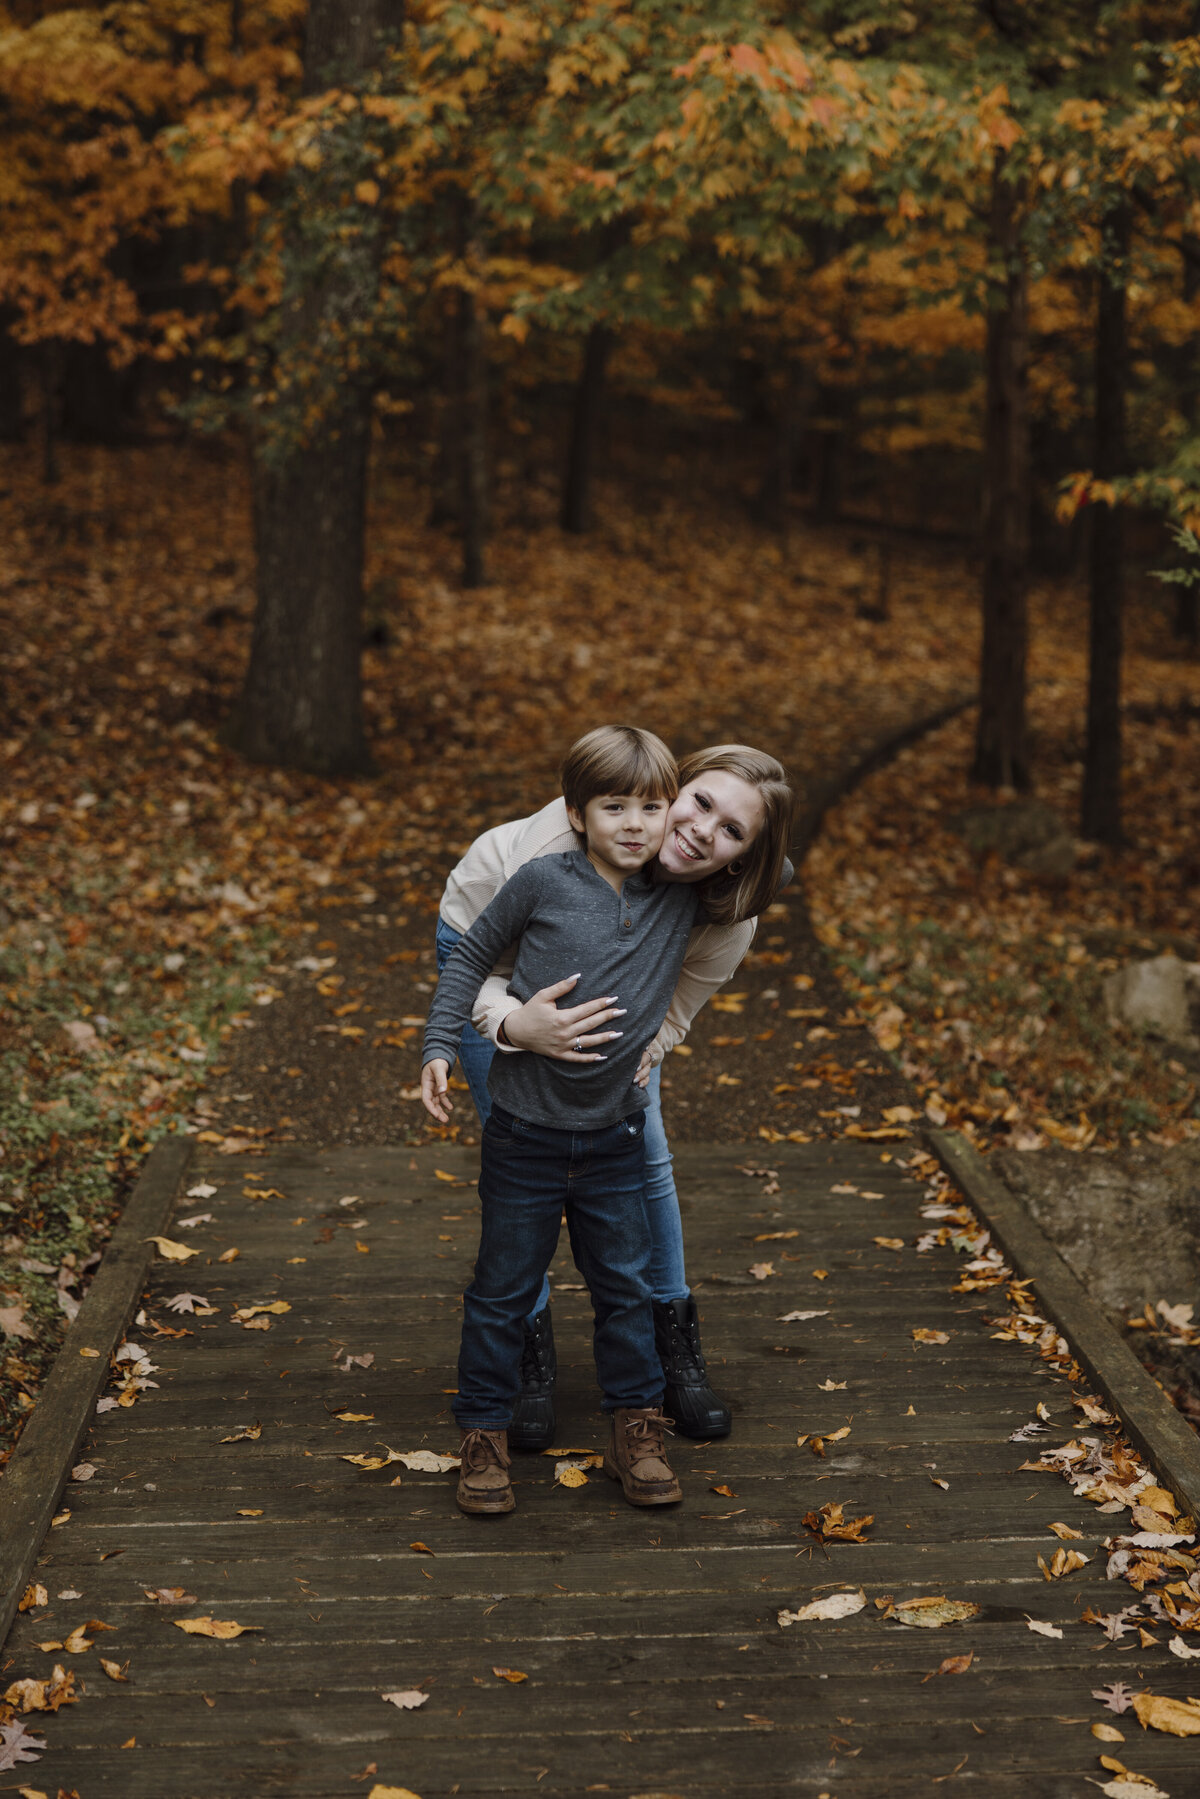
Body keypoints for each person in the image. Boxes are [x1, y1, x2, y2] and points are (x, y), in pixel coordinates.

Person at [434, 741, 795, 1449]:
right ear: (672, 786)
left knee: (645, 1149)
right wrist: (515, 1025)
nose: (701, 831)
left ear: (744, 857)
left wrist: (643, 1055)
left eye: (732, 832)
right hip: (495, 959)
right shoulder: (552, 853)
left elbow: (677, 1009)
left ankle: (671, 1348)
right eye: (698, 803)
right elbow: (482, 964)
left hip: (628, 980)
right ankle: (525, 1359)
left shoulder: (730, 910)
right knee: (522, 1150)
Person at [421, 725, 701, 1515]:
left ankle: (637, 1428)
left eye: (654, 805)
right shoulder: (540, 879)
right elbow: (470, 958)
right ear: (576, 813)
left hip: (614, 1135)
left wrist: (716, 798)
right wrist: (439, 1044)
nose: (638, 824)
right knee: (501, 1290)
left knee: (624, 1288)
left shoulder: (681, 890)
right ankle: (483, 1433)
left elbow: (770, 860)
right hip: (524, 1134)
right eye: (615, 806)